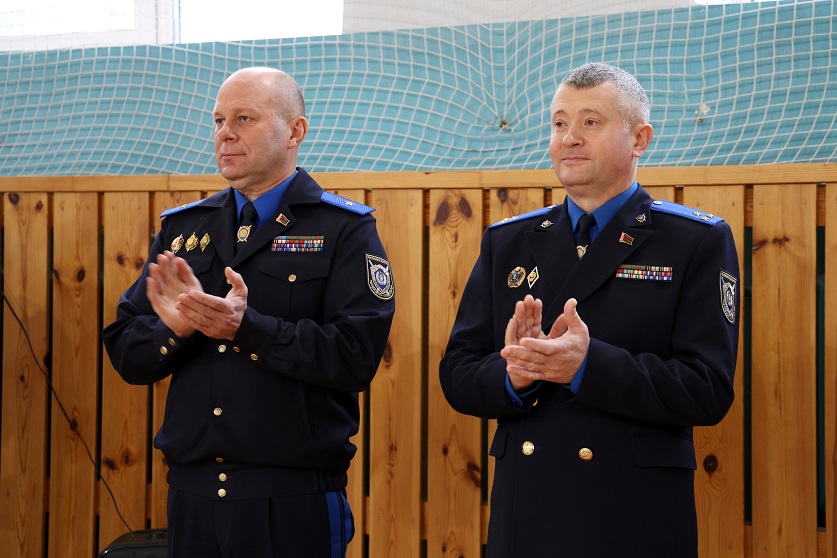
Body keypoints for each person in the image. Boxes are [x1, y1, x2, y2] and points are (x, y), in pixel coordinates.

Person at [439, 62, 739, 557]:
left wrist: (586, 366)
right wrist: (514, 376)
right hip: (527, 516)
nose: (569, 137)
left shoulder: (695, 240)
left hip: (633, 519)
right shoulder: (508, 241)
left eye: (590, 122)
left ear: (639, 139)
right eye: (559, 123)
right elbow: (458, 373)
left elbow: (707, 389)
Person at [103, 67, 395, 557]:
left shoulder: (343, 228)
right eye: (218, 121)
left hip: (290, 499)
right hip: (192, 495)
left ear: (295, 132)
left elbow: (355, 355)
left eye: (244, 118)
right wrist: (177, 327)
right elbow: (127, 352)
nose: (225, 133)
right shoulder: (184, 230)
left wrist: (246, 329)